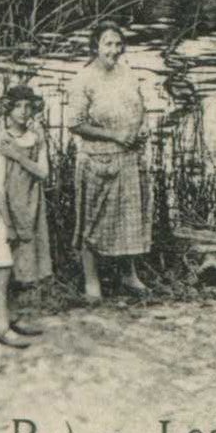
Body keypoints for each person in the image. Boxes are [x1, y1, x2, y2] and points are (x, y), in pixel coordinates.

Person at [68, 22, 154, 302]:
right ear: (95, 46)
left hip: (129, 156)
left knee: (130, 219)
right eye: (108, 44)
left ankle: (129, 274)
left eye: (118, 44)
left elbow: (141, 107)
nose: (114, 50)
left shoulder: (127, 73)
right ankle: (92, 281)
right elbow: (76, 123)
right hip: (99, 159)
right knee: (93, 220)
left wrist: (142, 128)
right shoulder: (84, 79)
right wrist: (115, 135)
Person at [0, 85, 52, 347]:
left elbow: (43, 172)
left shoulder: (36, 137)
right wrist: (7, 223)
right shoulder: (2, 140)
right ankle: (0, 326)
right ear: (8, 110)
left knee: (21, 264)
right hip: (7, 208)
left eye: (28, 106)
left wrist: (18, 156)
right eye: (18, 106)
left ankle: (12, 318)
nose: (23, 111)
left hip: (30, 206)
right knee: (4, 267)